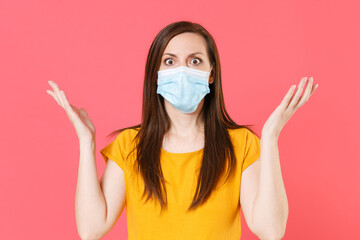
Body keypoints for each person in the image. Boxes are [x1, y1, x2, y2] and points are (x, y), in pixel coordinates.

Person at [46, 21, 318, 240]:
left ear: (212, 73)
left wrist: (270, 139)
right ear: (156, 73)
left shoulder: (241, 144)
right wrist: (86, 143)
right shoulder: (130, 145)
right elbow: (90, 229)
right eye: (170, 61)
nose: (183, 71)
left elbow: (271, 231)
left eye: (195, 61)